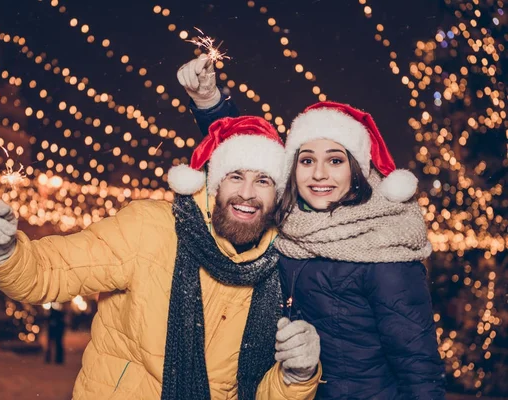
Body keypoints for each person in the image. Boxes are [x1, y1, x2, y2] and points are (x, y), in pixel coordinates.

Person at [0, 116, 322, 400]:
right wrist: (5, 254)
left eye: (263, 181)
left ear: (278, 194)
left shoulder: (281, 270)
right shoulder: (151, 228)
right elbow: (53, 270)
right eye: (236, 176)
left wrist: (297, 376)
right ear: (213, 183)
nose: (247, 193)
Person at [178, 57, 446, 399]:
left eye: (335, 160)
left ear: (357, 170)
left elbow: (420, 372)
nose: (319, 174)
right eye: (307, 160)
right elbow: (244, 168)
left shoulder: (383, 247)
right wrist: (209, 103)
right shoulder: (288, 225)